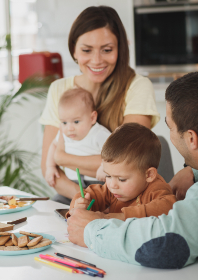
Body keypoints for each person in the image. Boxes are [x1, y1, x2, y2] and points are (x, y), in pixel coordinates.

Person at [67, 72, 198, 268]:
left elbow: (163, 246)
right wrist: (194, 170)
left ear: (191, 138)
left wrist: (91, 231)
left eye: (169, 126)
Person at [40, 6, 160, 203]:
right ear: (74, 50)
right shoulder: (58, 89)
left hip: (121, 197)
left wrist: (62, 158)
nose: (96, 60)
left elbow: (127, 162)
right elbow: (50, 171)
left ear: (120, 49)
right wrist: (84, 197)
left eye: (107, 50)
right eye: (86, 50)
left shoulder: (137, 87)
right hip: (74, 195)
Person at [67, 123, 176, 220]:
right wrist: (79, 205)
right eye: (108, 176)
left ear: (149, 175)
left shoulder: (157, 189)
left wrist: (112, 217)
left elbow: (168, 207)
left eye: (122, 179)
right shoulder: (113, 189)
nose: (112, 185)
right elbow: (90, 194)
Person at [44, 88, 111, 202]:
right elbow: (54, 145)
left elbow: (115, 152)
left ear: (92, 118)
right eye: (64, 122)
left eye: (76, 122)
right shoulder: (64, 134)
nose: (69, 128)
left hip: (98, 184)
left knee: (104, 205)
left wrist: (104, 166)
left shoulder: (99, 133)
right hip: (72, 183)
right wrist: (50, 166)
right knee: (56, 203)